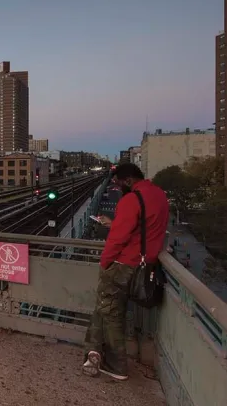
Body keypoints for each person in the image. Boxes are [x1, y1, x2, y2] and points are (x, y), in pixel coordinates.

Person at [82, 163, 169, 381]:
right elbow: (143, 228)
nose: (116, 186)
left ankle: (116, 365)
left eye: (117, 182)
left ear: (128, 180)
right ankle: (93, 353)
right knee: (105, 307)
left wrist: (105, 263)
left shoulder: (131, 200)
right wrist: (115, 222)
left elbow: (117, 240)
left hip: (123, 264)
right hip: (146, 265)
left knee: (110, 312)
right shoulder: (159, 195)